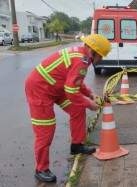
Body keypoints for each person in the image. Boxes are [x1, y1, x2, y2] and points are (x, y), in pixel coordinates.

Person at [25, 34, 111, 183]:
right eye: (101, 56)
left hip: (57, 88)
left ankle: (77, 145)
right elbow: (72, 92)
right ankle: (41, 168)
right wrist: (89, 104)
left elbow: (75, 82)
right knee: (46, 130)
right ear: (93, 51)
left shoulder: (82, 55)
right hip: (40, 89)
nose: (101, 60)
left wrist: (90, 94)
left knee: (77, 109)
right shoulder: (82, 61)